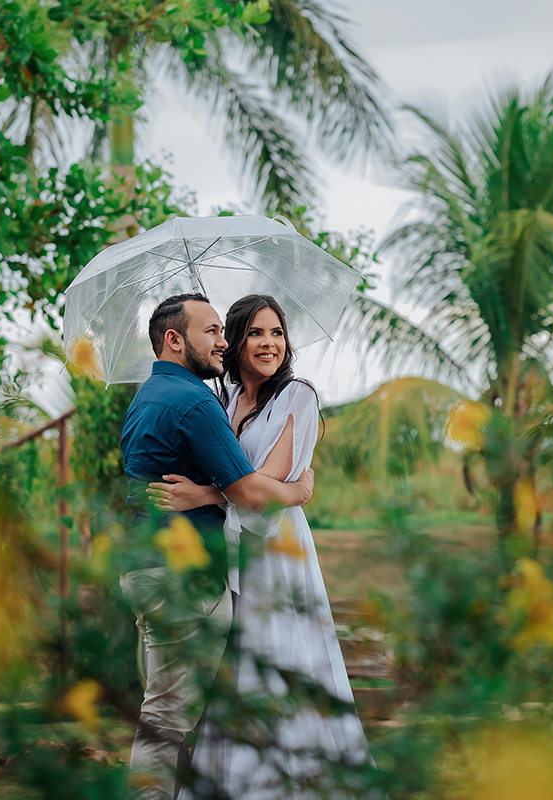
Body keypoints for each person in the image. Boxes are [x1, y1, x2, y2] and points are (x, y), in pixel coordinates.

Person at [152, 294, 372, 799]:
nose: (269, 343)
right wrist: (286, 490)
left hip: (278, 553)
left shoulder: (298, 396)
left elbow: (263, 488)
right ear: (234, 340)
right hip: (235, 553)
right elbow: (247, 482)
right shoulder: (226, 400)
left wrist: (203, 495)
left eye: (276, 333)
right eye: (255, 333)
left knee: (281, 656)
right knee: (235, 667)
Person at [119, 292, 316, 800]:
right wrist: (299, 490)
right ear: (174, 339)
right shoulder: (197, 400)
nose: (222, 342)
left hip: (147, 565)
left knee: (176, 710)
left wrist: (207, 493)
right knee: (167, 716)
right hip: (184, 575)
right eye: (214, 332)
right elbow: (250, 492)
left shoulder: (146, 396)